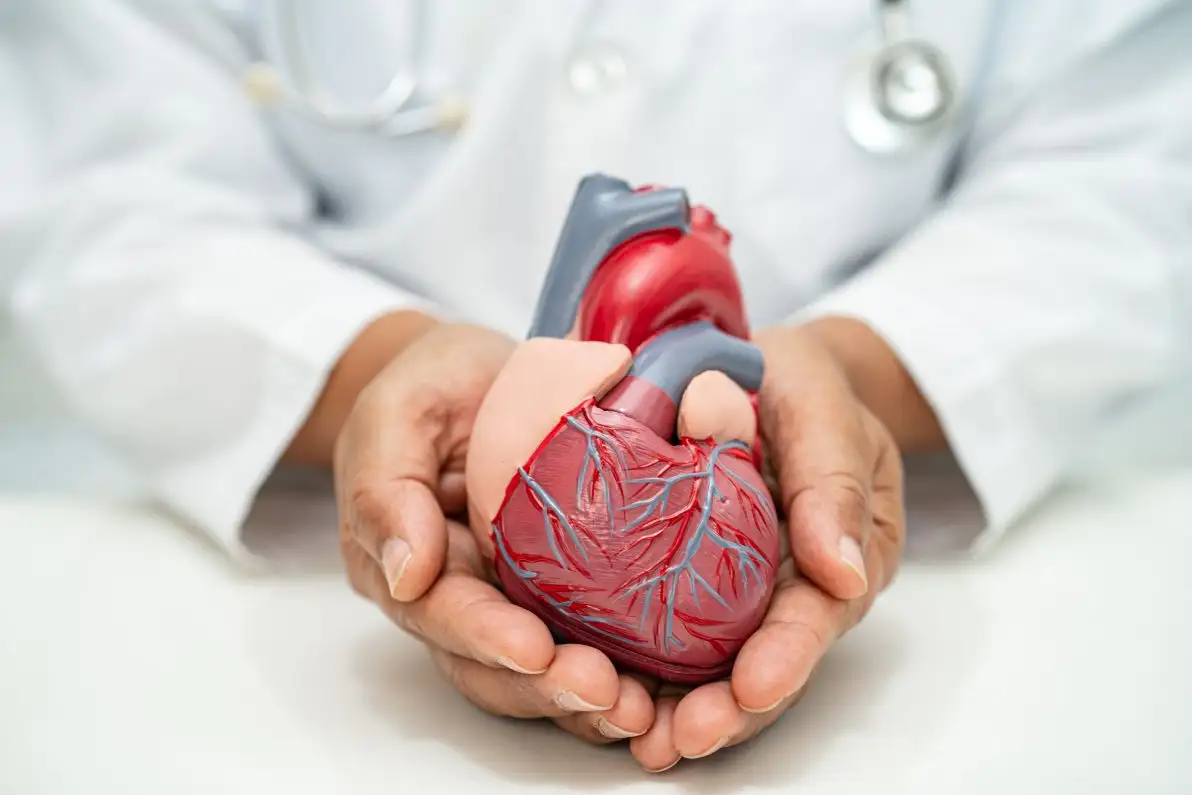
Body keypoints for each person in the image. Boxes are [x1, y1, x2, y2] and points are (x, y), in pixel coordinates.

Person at [1, 0, 1190, 774]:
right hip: (240, 629)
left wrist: (856, 372)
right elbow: (109, 204)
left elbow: (1128, 170)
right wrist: (374, 371)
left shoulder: (661, 452)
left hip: (983, 623)